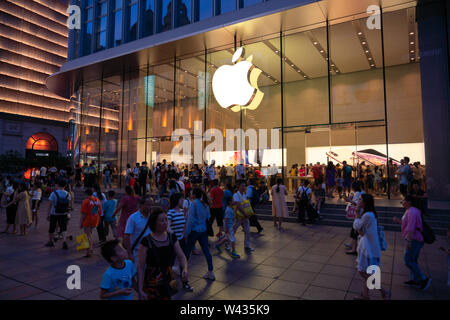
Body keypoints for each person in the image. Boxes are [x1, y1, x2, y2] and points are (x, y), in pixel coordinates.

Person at [137, 208, 189, 300]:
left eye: (166, 219)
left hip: (169, 278)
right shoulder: (146, 241)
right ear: (154, 223)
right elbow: (141, 267)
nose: (165, 223)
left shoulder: (172, 237)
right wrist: (140, 289)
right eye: (161, 220)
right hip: (152, 281)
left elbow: (181, 255)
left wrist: (185, 268)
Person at [353, 194, 390, 300]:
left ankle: (383, 290)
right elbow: (360, 230)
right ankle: (365, 295)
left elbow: (357, 226)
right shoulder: (369, 214)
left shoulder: (367, 215)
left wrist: (356, 213)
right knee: (367, 271)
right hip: (369, 246)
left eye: (360, 199)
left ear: (365, 203)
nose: (358, 201)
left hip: (368, 248)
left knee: (363, 272)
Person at [393, 195, 432, 290]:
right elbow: (407, 224)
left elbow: (411, 227)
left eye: (404, 200)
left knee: (408, 260)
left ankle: (423, 279)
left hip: (415, 239)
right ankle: (414, 280)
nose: (402, 202)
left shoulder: (412, 212)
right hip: (415, 239)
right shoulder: (410, 211)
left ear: (409, 202)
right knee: (413, 260)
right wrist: (399, 221)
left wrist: (409, 241)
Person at [183, 188, 215, 280]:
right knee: (206, 251)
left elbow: (190, 220)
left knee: (187, 252)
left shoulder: (193, 204)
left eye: (192, 192)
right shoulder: (205, 204)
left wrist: (186, 233)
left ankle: (184, 271)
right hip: (203, 230)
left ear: (194, 194)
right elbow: (208, 217)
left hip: (194, 231)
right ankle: (210, 271)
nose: (190, 194)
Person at [167, 193, 193, 291]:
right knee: (171, 261)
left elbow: (184, 225)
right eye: (181, 200)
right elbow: (167, 226)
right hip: (173, 241)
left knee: (184, 260)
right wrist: (173, 235)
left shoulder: (182, 212)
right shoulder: (170, 213)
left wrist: (184, 235)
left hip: (181, 239)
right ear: (176, 201)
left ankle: (185, 282)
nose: (183, 202)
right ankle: (170, 283)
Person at [46, 180, 71, 249]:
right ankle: (64, 241)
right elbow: (68, 205)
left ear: (57, 185)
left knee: (52, 227)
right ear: (65, 186)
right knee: (63, 228)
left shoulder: (53, 193)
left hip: (54, 213)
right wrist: (68, 213)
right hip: (63, 213)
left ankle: (51, 241)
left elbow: (50, 205)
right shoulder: (68, 194)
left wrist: (48, 214)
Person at [344, 181, 365, 255]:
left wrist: (348, 200)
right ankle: (352, 245)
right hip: (359, 213)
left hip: (359, 214)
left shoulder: (360, 194)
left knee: (355, 231)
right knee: (354, 229)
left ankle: (354, 249)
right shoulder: (361, 193)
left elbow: (356, 203)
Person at [232, 180, 254, 252]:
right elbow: (238, 206)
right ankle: (226, 242)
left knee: (247, 231)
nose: (244, 187)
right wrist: (245, 213)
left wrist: (247, 213)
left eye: (245, 185)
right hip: (238, 216)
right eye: (242, 185)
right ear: (238, 186)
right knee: (233, 230)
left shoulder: (244, 194)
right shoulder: (236, 195)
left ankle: (247, 245)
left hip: (245, 216)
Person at [80, 188, 102, 257]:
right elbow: (100, 211)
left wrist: (80, 223)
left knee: (87, 236)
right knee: (90, 234)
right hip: (95, 219)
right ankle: (91, 248)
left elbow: (83, 213)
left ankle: (88, 251)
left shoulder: (86, 201)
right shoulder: (97, 200)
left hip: (88, 220)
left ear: (86, 194)